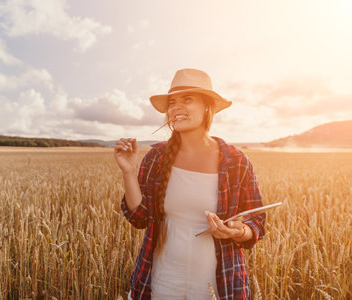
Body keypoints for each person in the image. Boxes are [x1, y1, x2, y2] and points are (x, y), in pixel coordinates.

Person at [114, 68, 266, 300]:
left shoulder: (236, 161)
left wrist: (237, 231)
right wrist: (129, 171)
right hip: (162, 281)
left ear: (208, 107)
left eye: (187, 100)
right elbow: (139, 218)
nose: (176, 108)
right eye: (172, 102)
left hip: (219, 285)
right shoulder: (157, 157)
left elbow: (257, 223)